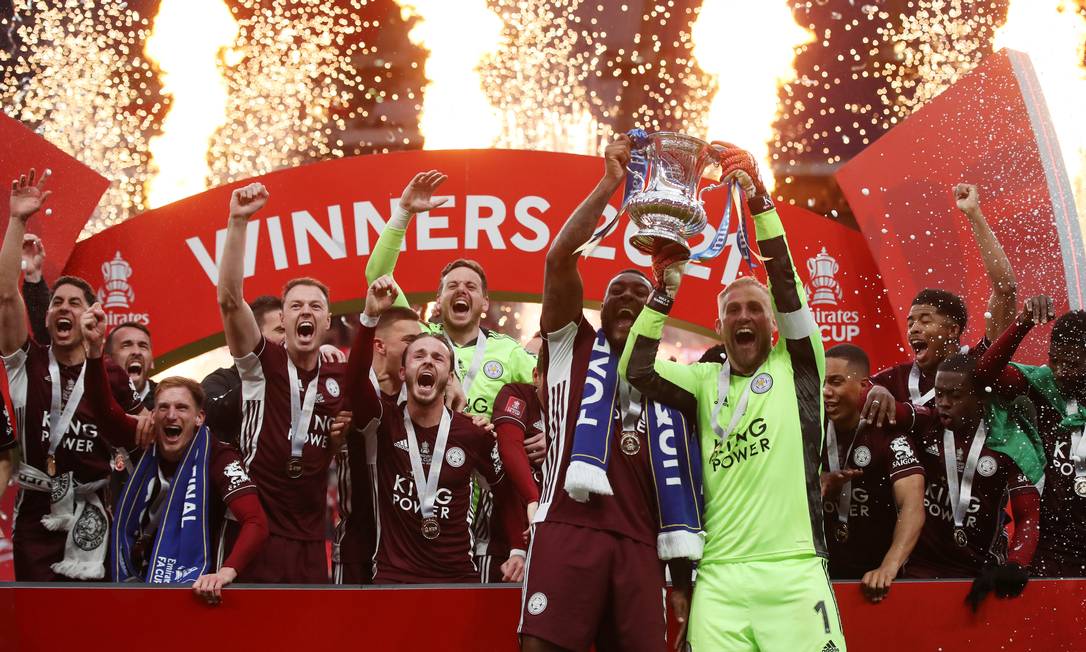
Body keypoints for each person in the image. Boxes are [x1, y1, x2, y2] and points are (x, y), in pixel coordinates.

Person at [620, 145, 845, 650]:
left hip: (794, 574)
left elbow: (785, 284)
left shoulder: (800, 367)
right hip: (719, 579)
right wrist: (664, 291)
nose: (745, 317)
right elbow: (635, 368)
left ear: (772, 326)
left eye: (755, 310)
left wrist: (760, 203)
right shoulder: (703, 383)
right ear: (719, 327)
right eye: (733, 311)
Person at [519, 135, 698, 652]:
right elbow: (558, 260)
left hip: (642, 544)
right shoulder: (571, 349)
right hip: (569, 530)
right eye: (616, 292)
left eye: (640, 293)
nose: (626, 298)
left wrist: (682, 577)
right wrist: (609, 184)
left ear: (656, 311)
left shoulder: (672, 380)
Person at [365, 170, 538, 575]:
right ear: (437, 302)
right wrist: (403, 215)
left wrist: (551, 432)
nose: (462, 290)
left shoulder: (509, 353)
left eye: (471, 287)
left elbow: (551, 395)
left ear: (484, 304)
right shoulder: (422, 344)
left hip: (490, 502)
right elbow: (378, 278)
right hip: (417, 495)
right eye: (452, 286)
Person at [78, 305, 268, 603]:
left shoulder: (218, 455)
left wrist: (227, 571)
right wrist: (92, 351)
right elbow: (104, 410)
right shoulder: (143, 436)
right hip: (132, 579)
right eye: (163, 407)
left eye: (182, 408)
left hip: (196, 587)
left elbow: (256, 521)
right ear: (152, 415)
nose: (171, 415)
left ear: (199, 418)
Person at [0, 169, 138, 580]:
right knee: (38, 631)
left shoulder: (110, 374)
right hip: (36, 517)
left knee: (89, 626)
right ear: (46, 316)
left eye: (74, 303)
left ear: (92, 315)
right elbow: (7, 295)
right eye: (56, 302)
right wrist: (17, 220)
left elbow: (140, 431)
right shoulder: (28, 362)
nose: (63, 307)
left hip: (93, 510)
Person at [345, 275, 524, 584]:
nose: (428, 361)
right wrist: (369, 317)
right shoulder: (382, 422)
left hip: (457, 580)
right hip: (393, 579)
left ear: (448, 374)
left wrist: (518, 549)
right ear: (403, 372)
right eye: (419, 355)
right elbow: (355, 381)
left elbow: (506, 491)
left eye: (438, 357)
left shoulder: (473, 433)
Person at [217, 181, 350, 583]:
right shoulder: (263, 363)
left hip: (312, 537)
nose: (304, 311)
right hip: (254, 529)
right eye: (295, 305)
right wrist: (238, 222)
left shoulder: (341, 375)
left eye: (315, 306)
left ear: (327, 323)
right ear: (284, 321)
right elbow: (229, 299)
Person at [864, 184, 1017, 424]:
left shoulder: (979, 363)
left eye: (925, 321)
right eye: (911, 322)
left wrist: (974, 215)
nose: (914, 328)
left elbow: (1005, 289)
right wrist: (873, 391)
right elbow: (855, 390)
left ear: (953, 330)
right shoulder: (897, 379)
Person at [904, 353, 1042, 610]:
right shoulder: (927, 423)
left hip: (980, 571)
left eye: (954, 396)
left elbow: (1029, 516)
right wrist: (876, 394)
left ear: (980, 397)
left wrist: (1016, 562)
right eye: (939, 393)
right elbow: (900, 412)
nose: (943, 403)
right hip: (921, 569)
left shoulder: (1009, 443)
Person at [973, 298, 1086, 577]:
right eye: (1054, 360)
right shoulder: (1043, 388)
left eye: (1071, 364)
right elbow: (986, 375)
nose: (1059, 371)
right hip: (1051, 549)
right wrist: (1022, 323)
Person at [819, 344, 925, 603]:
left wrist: (888, 566)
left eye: (836, 382)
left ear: (865, 385)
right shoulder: (809, 429)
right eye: (822, 383)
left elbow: (912, 504)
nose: (826, 392)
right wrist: (812, 488)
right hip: (817, 578)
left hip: (874, 579)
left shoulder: (887, 432)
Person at [333, 305, 421, 585]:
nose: (416, 348)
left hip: (411, 550)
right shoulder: (349, 389)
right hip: (358, 545)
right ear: (379, 346)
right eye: (409, 341)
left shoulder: (423, 398)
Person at [203, 295, 344, 443]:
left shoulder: (311, 379)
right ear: (252, 337)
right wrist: (268, 374)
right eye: (280, 330)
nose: (291, 337)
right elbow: (212, 418)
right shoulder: (220, 382)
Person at [488, 367, 544, 582]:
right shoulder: (518, 394)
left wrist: (558, 439)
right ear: (536, 375)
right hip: (507, 540)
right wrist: (533, 499)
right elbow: (509, 447)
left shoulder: (583, 408)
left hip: (563, 540)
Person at [106, 321, 156, 410]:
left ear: (152, 361)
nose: (136, 352)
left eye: (143, 346)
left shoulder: (166, 400)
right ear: (108, 360)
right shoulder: (96, 399)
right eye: (126, 345)